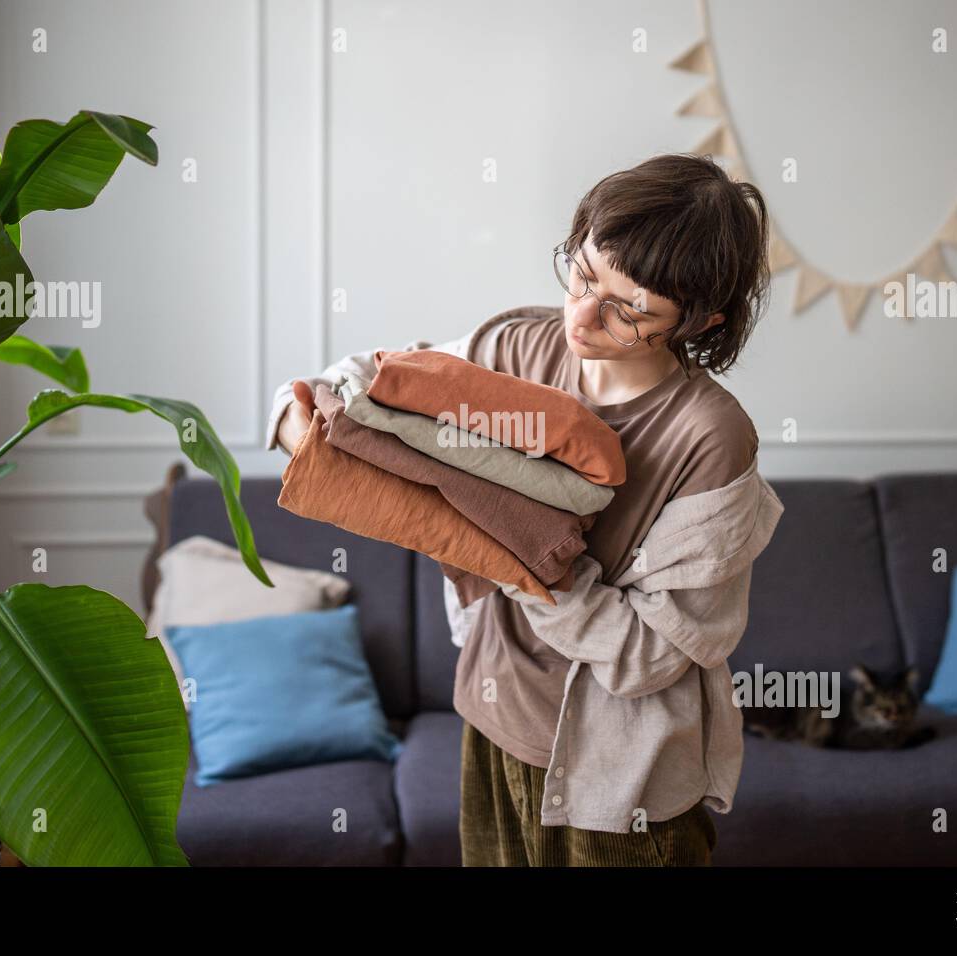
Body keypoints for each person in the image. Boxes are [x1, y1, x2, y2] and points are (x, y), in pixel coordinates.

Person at [268, 152, 783, 866]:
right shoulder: (515, 346)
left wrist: (520, 554)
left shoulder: (710, 437)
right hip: (492, 724)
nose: (582, 316)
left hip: (624, 781)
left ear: (701, 319)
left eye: (629, 310)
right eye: (581, 274)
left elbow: (652, 654)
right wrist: (302, 415)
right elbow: (375, 381)